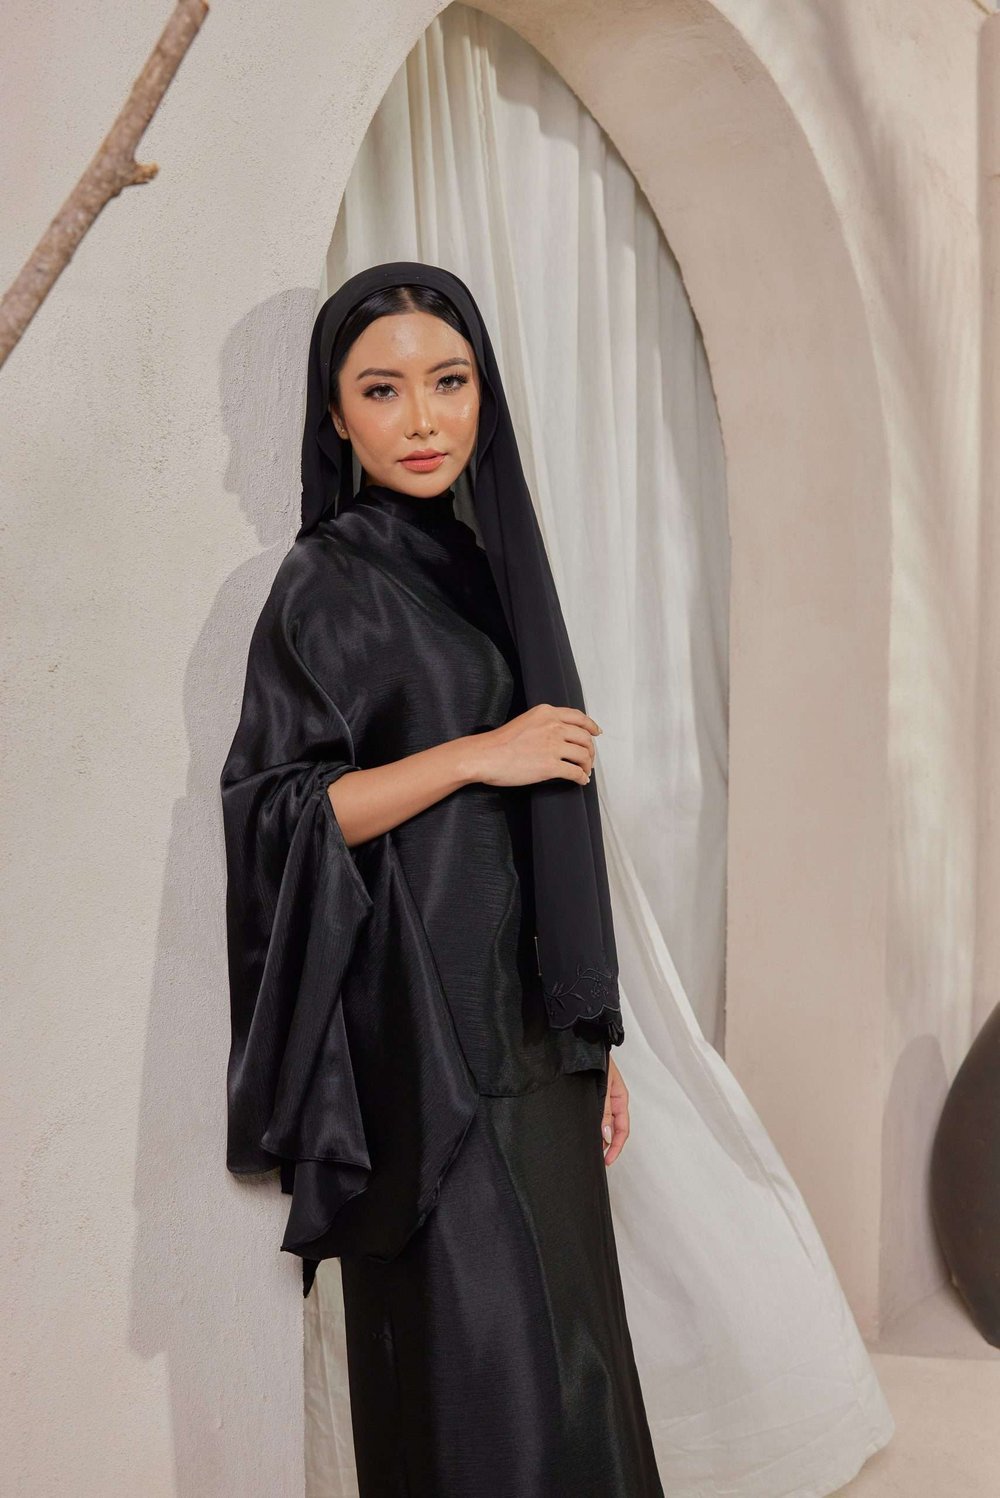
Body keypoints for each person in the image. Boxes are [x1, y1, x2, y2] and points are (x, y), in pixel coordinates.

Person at [220, 261, 663, 1496]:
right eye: (382, 389)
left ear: (483, 395)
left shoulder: (484, 562)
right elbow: (281, 810)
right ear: (334, 416)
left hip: (528, 1036)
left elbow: (544, 836)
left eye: (449, 382)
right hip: (422, 1050)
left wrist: (588, 1031)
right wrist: (479, 751)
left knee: (574, 1362)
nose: (422, 419)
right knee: (482, 1379)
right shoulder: (327, 578)